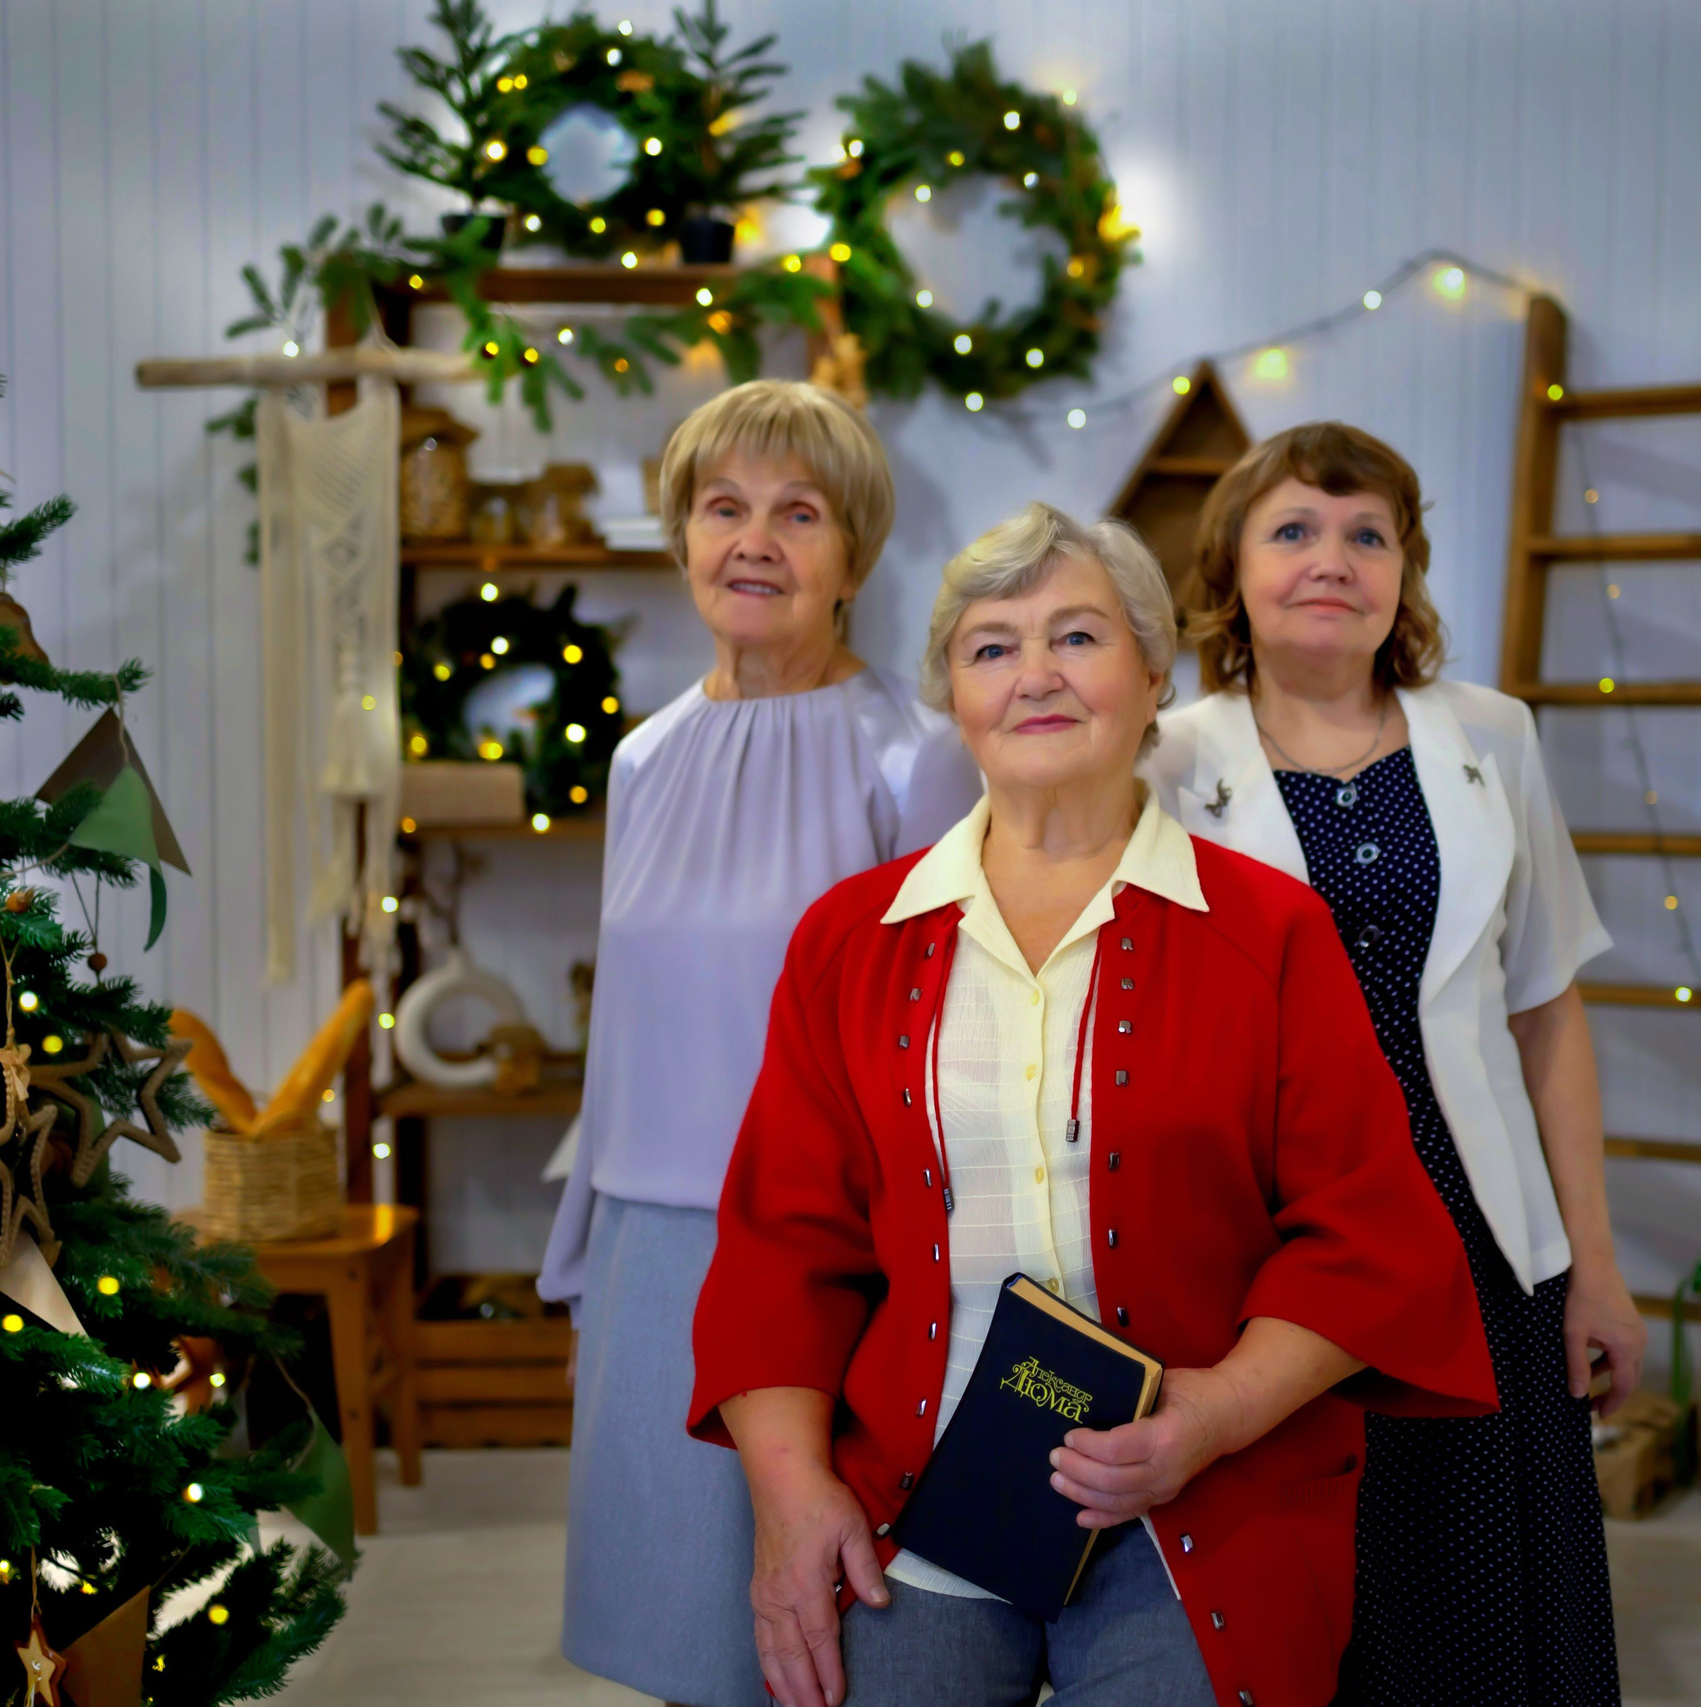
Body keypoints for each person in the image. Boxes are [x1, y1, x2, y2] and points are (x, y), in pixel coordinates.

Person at [689, 503, 1495, 1707]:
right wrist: (790, 1493)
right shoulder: (848, 942)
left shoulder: (1272, 932)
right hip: (918, 1501)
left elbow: (1365, 1237)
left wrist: (1210, 1419)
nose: (1036, 678)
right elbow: (780, 1250)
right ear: (953, 695)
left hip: (1202, 1500)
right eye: (992, 647)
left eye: (1078, 636)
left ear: (1152, 673)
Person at [1144, 422, 1640, 1707]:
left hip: (1475, 1238)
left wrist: (1596, 1265)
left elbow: (1545, 1012)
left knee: (1480, 1607)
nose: (1333, 560)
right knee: (1305, 1589)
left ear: (1405, 572)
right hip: (1279, 1252)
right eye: (1294, 531)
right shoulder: (1167, 759)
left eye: (1369, 535)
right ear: (1233, 570)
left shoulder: (1492, 737)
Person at [537, 379, 978, 1707]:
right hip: (651, 1247)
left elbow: (943, 1032)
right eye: (723, 507)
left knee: (825, 1641)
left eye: (799, 513)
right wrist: (582, 1249)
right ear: (681, 537)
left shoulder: (918, 757)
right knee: (683, 1644)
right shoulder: (644, 757)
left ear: (854, 554)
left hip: (827, 1250)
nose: (755, 540)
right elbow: (624, 1019)